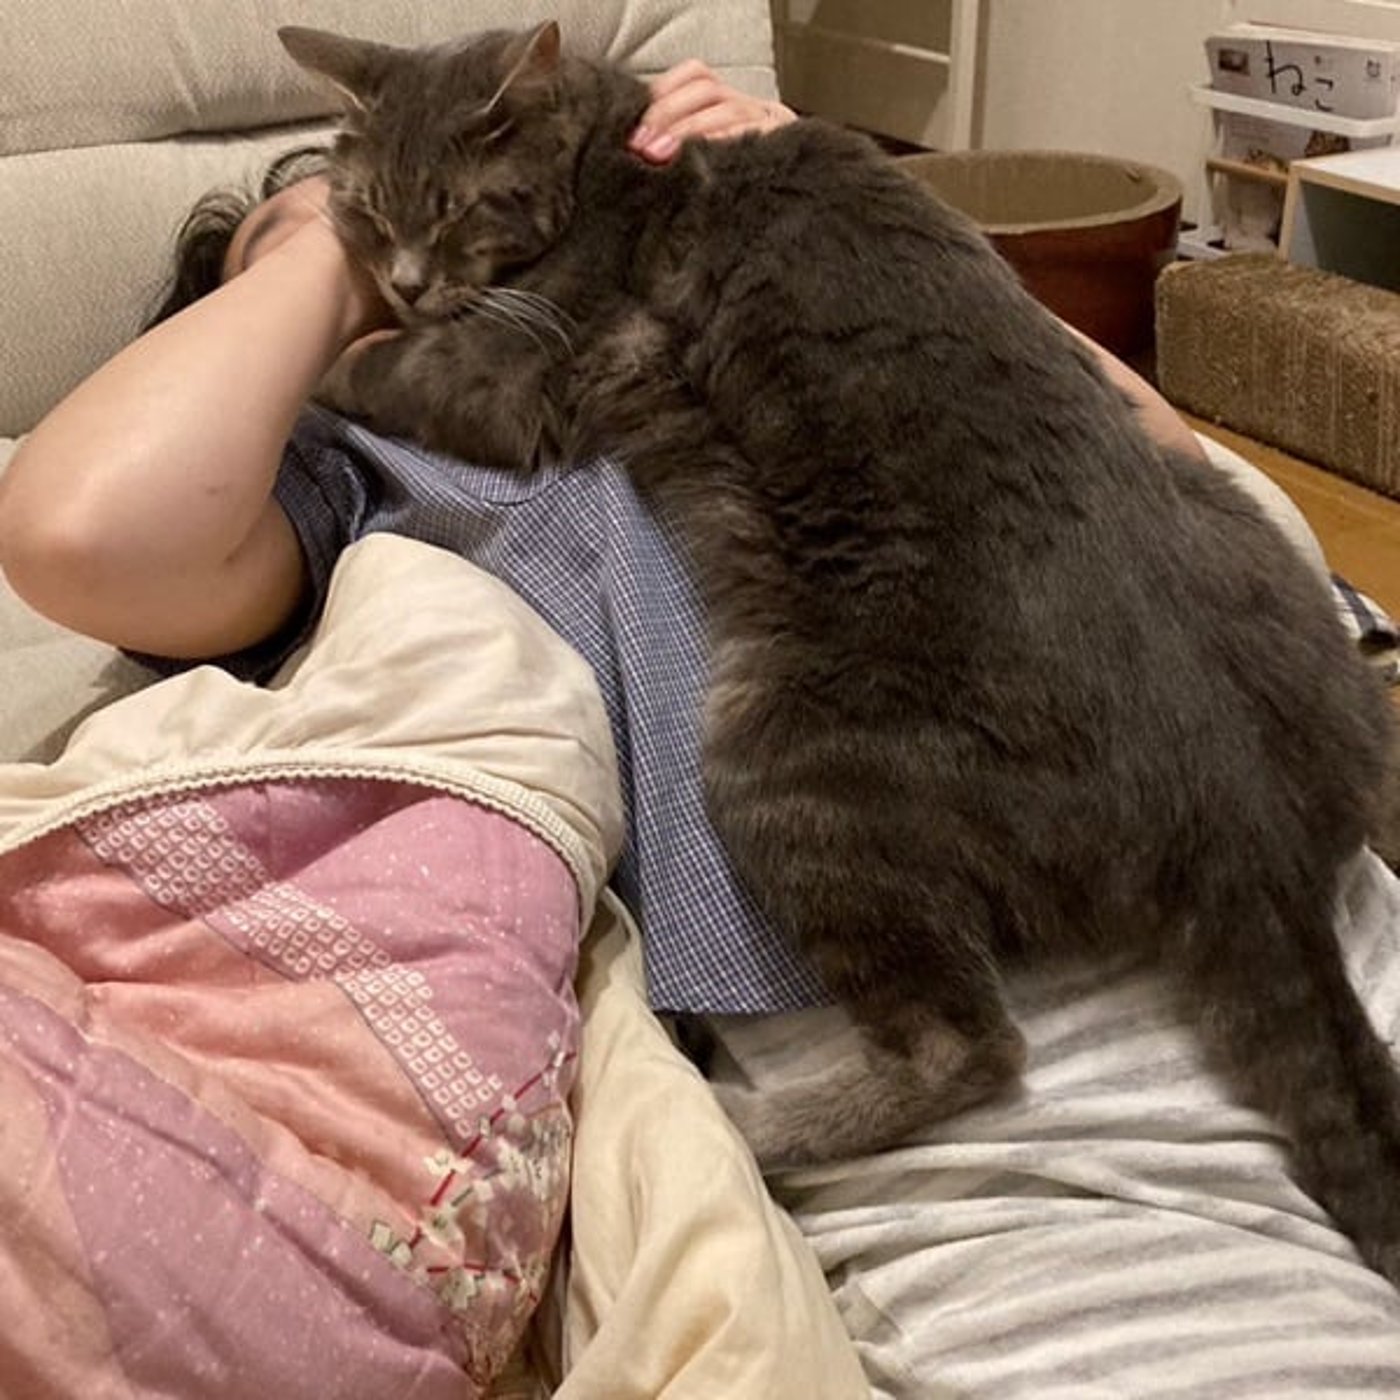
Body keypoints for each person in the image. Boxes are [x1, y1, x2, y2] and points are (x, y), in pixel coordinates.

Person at [6, 58, 1400, 1398]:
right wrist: (326, 230)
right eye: (351, 250)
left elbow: (1150, 454)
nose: (420, 267)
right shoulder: (361, 469)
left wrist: (827, 203)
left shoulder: (680, 254)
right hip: (982, 1026)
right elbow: (83, 529)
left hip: (1292, 860)